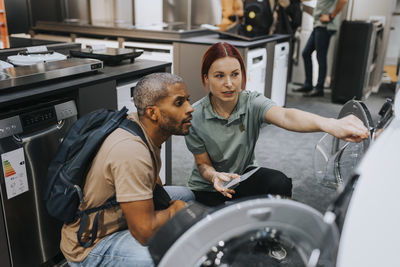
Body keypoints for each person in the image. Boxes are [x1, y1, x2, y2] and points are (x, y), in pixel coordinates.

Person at [184, 42, 369, 208]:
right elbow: (203, 165)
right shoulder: (195, 115)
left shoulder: (251, 102)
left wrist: (330, 124)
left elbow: (286, 116)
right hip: (209, 187)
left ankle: (271, 244)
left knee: (279, 183)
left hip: (242, 177)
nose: (229, 84)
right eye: (219, 76)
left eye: (235, 74)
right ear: (206, 78)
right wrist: (215, 176)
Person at [62, 73, 195, 267]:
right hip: (92, 245)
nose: (190, 108)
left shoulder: (140, 125)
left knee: (186, 196)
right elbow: (144, 232)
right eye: (179, 103)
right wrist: (173, 211)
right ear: (153, 113)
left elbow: (151, 176)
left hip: (117, 214)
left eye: (188, 100)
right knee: (173, 256)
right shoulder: (131, 151)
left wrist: (169, 206)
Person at [293, 0, 348, 97]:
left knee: (320, 57)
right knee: (306, 53)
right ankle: (308, 84)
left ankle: (319, 88)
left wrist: (331, 16)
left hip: (325, 26)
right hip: (318, 25)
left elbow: (343, 1)